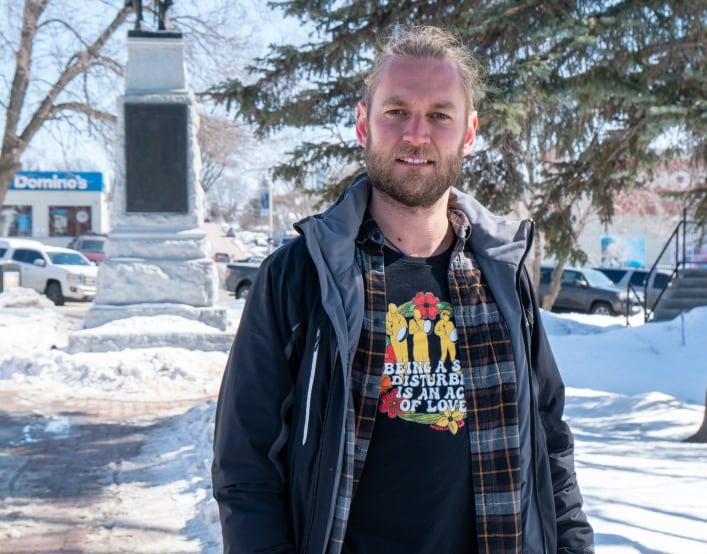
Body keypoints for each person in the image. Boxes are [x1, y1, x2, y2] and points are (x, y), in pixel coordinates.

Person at [212, 25, 595, 554]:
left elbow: (550, 443)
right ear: (363, 124)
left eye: (440, 115)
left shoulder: (503, 278)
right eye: (396, 111)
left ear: (468, 133)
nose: (417, 134)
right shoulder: (302, 277)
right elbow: (245, 468)